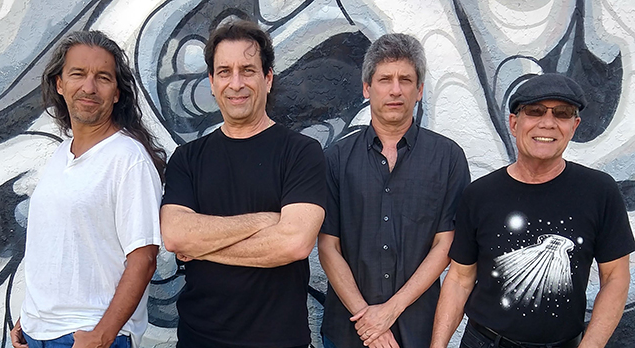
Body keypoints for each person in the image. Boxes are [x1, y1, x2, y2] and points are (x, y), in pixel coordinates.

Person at [431, 73, 635, 348]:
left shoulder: (600, 191)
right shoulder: (479, 195)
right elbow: (459, 279)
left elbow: (615, 277)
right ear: (514, 123)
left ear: (574, 126)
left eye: (561, 114)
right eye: (535, 111)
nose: (547, 123)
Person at [160, 20, 326, 348]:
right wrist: (265, 221)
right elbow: (175, 235)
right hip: (199, 341)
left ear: (267, 78)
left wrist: (202, 244)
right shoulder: (187, 159)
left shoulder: (301, 152)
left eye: (247, 70)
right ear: (211, 82)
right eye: (224, 72)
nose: (236, 83)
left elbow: (293, 243)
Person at [10, 30, 166, 348]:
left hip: (86, 336)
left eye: (103, 77)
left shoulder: (128, 158)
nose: (89, 87)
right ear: (60, 83)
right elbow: (59, 245)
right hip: (38, 334)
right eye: (78, 74)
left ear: (117, 92)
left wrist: (102, 335)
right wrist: (31, 316)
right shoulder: (61, 154)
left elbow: (144, 259)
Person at [318, 33, 470, 348]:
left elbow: (446, 244)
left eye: (406, 79)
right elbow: (328, 247)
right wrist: (368, 321)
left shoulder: (447, 158)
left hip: (418, 332)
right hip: (348, 333)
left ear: (420, 91)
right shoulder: (336, 158)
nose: (396, 89)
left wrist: (390, 311)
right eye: (385, 79)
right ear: (367, 88)